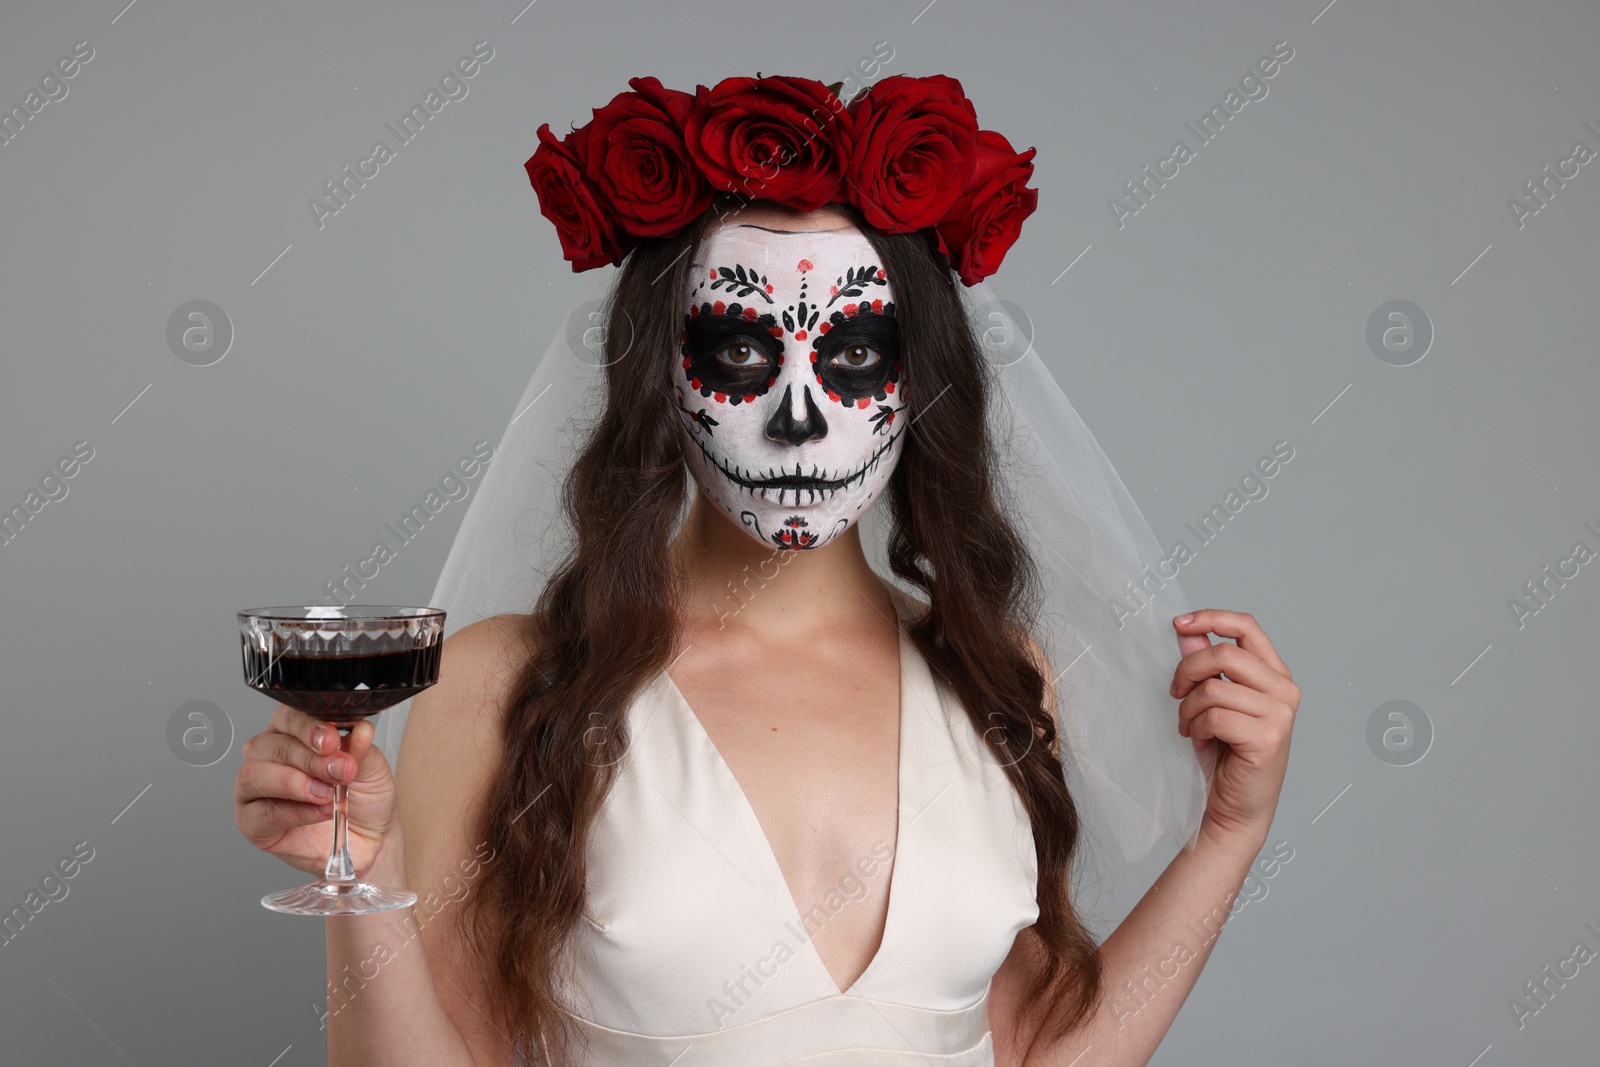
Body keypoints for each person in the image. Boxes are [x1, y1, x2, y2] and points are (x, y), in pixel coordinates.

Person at [233, 74, 1300, 1067]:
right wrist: (363, 880)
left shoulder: (994, 674)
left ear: (916, 380)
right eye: (741, 351)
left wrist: (1228, 832)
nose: (798, 417)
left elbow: (1031, 1049)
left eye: (850, 357)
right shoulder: (501, 681)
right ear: (660, 369)